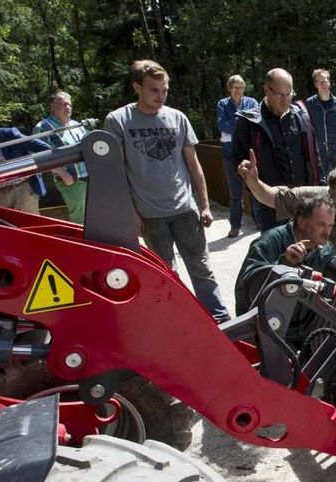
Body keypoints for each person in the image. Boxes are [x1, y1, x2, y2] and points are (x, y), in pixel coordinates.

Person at [104, 59, 231, 323]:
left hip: (185, 208)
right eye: (154, 90)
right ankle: (177, 321)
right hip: (150, 213)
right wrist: (131, 215)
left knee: (201, 267)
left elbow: (194, 165)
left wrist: (205, 205)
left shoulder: (177, 118)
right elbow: (114, 173)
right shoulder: (118, 121)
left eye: (164, 90)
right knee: (164, 274)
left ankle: (220, 319)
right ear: (137, 87)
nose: (160, 96)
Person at [233, 193, 336, 352]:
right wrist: (284, 263)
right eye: (322, 224)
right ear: (302, 221)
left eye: (330, 225)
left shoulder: (325, 249)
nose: (327, 232)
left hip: (301, 333)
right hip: (264, 329)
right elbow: (246, 289)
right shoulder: (270, 241)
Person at [232, 68, 321, 232]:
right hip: (269, 204)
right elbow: (237, 157)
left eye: (289, 94)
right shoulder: (249, 121)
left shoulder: (301, 116)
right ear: (267, 89)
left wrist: (321, 186)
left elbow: (315, 156)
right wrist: (243, 167)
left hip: (304, 199)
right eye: (281, 95)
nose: (286, 100)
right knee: (278, 252)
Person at [0, 102, 55, 214]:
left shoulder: (9, 134)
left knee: (29, 226)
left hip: (21, 189)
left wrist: (55, 167)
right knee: (5, 230)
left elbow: (41, 147)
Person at [33, 91, 92, 223]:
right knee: (79, 218)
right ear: (52, 106)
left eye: (69, 104)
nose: (67, 107)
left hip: (90, 178)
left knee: (95, 212)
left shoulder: (76, 125)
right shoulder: (43, 127)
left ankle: (97, 243)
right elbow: (40, 157)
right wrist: (62, 173)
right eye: (63, 104)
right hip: (71, 181)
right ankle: (80, 243)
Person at [216, 75, 259, 237]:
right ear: (229, 88)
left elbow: (254, 123)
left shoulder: (252, 103)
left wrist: (235, 121)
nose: (237, 90)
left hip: (248, 153)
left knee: (254, 189)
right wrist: (242, 118)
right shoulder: (222, 104)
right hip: (229, 154)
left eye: (240, 87)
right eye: (234, 87)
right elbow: (222, 125)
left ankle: (259, 221)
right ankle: (235, 226)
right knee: (235, 194)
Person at [303, 69, 336, 180]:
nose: (324, 84)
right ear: (316, 85)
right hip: (318, 152)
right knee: (321, 182)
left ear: (329, 83)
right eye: (320, 82)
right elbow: (307, 126)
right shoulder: (309, 104)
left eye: (325, 81)